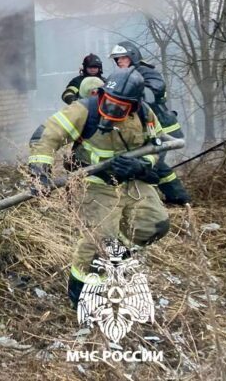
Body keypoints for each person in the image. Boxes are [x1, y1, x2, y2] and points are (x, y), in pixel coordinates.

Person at [28, 68, 171, 306]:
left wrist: (140, 165)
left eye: (119, 108)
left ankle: (119, 256)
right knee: (101, 242)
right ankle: (83, 297)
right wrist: (40, 171)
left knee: (155, 224)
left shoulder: (145, 115)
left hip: (130, 180)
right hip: (93, 183)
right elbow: (45, 135)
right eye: (108, 102)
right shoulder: (86, 110)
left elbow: (158, 148)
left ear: (134, 106)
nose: (110, 111)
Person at [109, 41, 191, 205]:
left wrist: (133, 92)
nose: (119, 61)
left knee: (153, 163)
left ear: (132, 56)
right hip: (148, 129)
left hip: (163, 128)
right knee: (154, 163)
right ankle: (173, 198)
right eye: (117, 59)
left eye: (122, 58)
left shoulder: (145, 72)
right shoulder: (126, 76)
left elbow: (155, 90)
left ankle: (176, 199)